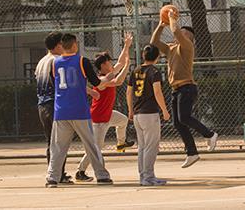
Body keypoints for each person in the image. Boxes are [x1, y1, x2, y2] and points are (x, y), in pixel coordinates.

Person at [150, 9, 218, 168]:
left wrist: (172, 18)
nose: (178, 33)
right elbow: (153, 42)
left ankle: (210, 134)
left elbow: (175, 30)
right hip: (176, 89)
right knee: (178, 123)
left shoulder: (187, 46)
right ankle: (192, 153)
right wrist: (161, 24)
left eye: (182, 32)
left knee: (185, 118)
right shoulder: (170, 48)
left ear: (188, 36)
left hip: (187, 87)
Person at [45, 33, 114, 188]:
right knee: (91, 145)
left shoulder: (55, 63)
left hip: (61, 111)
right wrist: (108, 78)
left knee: (58, 147)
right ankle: (102, 176)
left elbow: (57, 83)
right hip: (79, 111)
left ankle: (52, 178)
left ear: (62, 46)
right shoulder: (82, 61)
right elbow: (96, 82)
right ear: (75, 44)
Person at [75, 33, 135, 182]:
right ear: (103, 65)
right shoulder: (103, 79)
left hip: (108, 114)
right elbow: (120, 80)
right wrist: (127, 66)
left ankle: (121, 143)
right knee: (96, 148)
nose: (112, 64)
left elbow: (120, 62)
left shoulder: (108, 73)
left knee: (123, 120)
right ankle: (80, 171)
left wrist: (127, 46)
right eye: (109, 63)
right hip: (99, 118)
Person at [127, 44, 171, 186]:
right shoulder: (154, 71)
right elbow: (157, 91)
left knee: (142, 146)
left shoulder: (135, 70)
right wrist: (164, 110)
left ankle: (143, 176)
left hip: (138, 113)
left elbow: (129, 92)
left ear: (143, 56)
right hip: (149, 113)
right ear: (157, 57)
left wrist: (130, 110)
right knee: (151, 146)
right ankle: (148, 177)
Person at [35, 32, 72, 184]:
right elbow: (61, 83)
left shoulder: (41, 61)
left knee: (51, 141)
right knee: (59, 141)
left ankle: (55, 172)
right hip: (54, 104)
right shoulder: (57, 61)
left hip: (42, 104)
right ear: (58, 45)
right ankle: (58, 174)